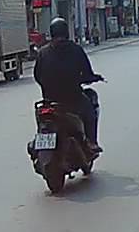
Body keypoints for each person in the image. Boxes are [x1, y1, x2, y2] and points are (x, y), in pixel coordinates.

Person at [33, 17, 102, 153]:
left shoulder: (43, 52)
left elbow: (37, 76)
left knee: (42, 118)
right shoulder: (76, 50)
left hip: (49, 101)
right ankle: (91, 142)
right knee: (90, 111)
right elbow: (87, 74)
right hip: (73, 99)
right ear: (66, 32)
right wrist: (93, 78)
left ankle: (38, 144)